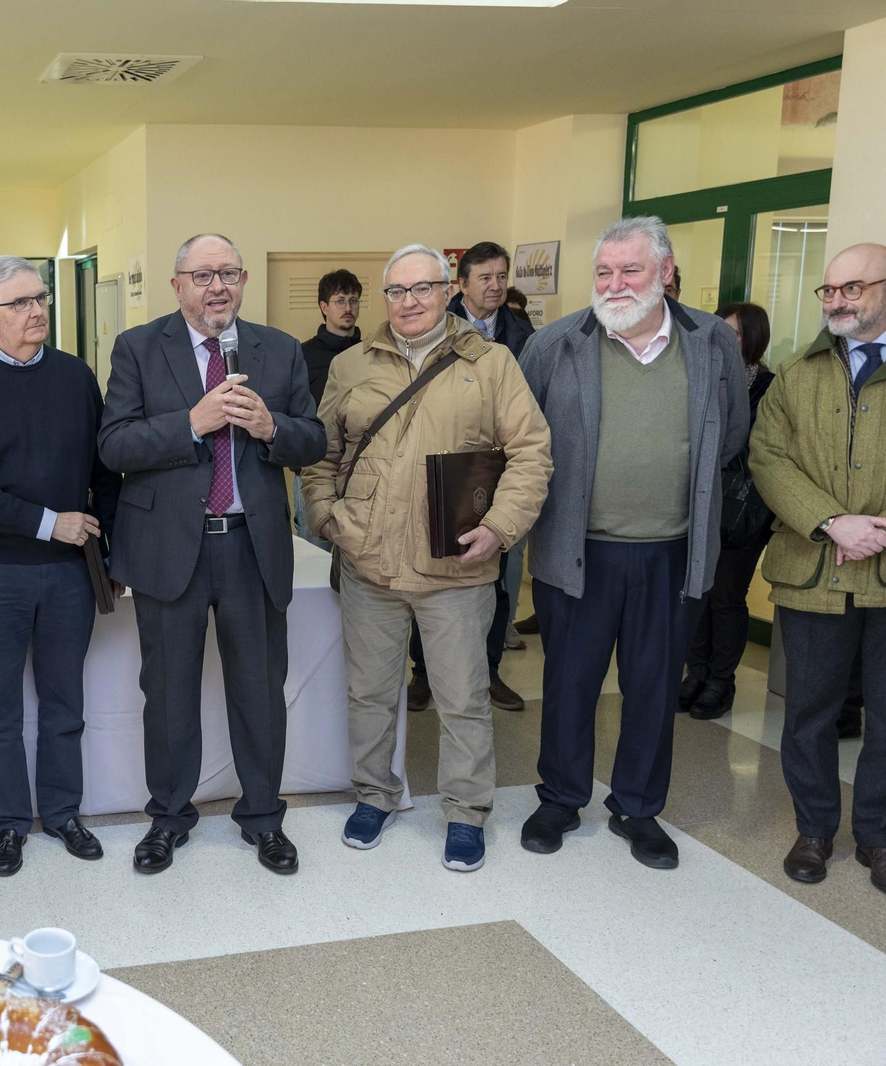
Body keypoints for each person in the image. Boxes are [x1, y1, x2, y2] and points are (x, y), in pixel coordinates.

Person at [303, 245, 551, 872]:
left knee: (463, 696)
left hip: (456, 568)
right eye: (396, 291)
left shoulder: (491, 364)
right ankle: (375, 795)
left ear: (448, 291)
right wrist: (326, 514)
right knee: (369, 692)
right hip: (369, 561)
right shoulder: (352, 364)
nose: (408, 302)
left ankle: (466, 812)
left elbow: (531, 454)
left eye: (422, 288)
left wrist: (499, 528)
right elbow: (321, 452)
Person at [518, 216, 748, 869]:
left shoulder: (711, 343)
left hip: (672, 553)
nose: (615, 284)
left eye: (631, 270)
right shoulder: (555, 344)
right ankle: (560, 798)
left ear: (666, 272)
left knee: (652, 685)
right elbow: (523, 439)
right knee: (570, 683)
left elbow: (731, 437)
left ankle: (638, 808)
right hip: (578, 551)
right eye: (604, 272)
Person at [98, 233, 326, 876]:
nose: (216, 286)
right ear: (178, 285)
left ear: (244, 279)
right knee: (168, 693)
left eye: (227, 273)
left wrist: (271, 428)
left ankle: (263, 817)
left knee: (259, 690)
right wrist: (190, 424)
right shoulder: (139, 348)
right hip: (172, 549)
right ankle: (168, 818)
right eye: (202, 275)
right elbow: (114, 446)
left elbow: (313, 440)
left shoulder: (277, 350)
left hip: (252, 550)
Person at [0, 257, 121, 877]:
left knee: (65, 702)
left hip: (71, 572)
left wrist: (110, 550)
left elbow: (103, 474)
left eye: (39, 298)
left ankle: (64, 813)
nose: (36, 310)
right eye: (19, 303)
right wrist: (50, 522)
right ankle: (10, 824)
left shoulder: (75, 377)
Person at [749, 242, 886, 893]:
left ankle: (878, 835)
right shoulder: (795, 374)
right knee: (809, 710)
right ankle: (814, 828)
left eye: (852, 288)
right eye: (828, 291)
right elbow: (768, 458)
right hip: (814, 569)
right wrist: (834, 522)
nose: (836, 301)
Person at [410, 242, 536, 713]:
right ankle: (423, 674)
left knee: (496, 578)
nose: (496, 285)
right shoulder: (435, 327)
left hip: (496, 479)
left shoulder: (523, 334)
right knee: (433, 577)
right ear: (459, 285)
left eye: (502, 276)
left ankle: (488, 673)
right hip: (443, 474)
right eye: (485, 277)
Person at [679, 302, 775, 720]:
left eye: (732, 334)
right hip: (699, 502)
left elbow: (762, 447)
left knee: (727, 597)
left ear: (751, 339)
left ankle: (721, 681)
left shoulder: (770, 386)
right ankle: (695, 673)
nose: (721, 340)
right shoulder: (701, 377)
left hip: (741, 511)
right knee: (696, 591)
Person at [294, 270, 363, 550]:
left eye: (354, 300)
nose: (348, 308)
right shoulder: (301, 355)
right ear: (324, 307)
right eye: (340, 301)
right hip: (312, 474)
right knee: (313, 562)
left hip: (361, 474)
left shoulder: (374, 354)